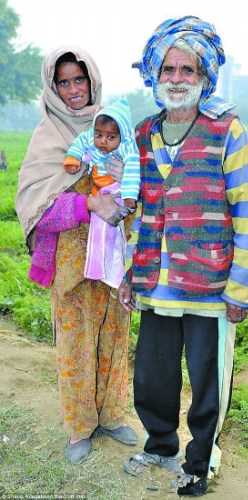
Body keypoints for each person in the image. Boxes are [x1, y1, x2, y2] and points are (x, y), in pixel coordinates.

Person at [118, 16, 248, 497]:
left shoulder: (227, 129)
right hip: (155, 282)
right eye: (169, 69)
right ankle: (160, 445)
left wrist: (240, 287)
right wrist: (129, 274)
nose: (177, 79)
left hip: (211, 286)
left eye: (188, 70)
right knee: (153, 374)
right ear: (155, 76)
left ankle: (200, 461)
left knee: (208, 382)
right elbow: (136, 214)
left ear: (204, 77)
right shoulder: (143, 134)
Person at [15, 46, 138, 464]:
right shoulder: (47, 136)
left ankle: (113, 415)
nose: (73, 90)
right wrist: (88, 203)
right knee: (75, 343)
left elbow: (139, 183)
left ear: (92, 80)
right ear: (53, 87)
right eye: (64, 81)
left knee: (115, 335)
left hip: (114, 257)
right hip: (69, 260)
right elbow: (36, 209)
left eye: (79, 80)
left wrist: (122, 187)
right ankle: (79, 427)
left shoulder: (115, 126)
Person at [64, 97, 140, 287]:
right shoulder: (91, 137)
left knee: (112, 237)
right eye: (99, 136)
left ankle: (114, 272)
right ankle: (98, 267)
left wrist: (130, 194)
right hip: (95, 198)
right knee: (100, 236)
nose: (103, 141)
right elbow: (80, 142)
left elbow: (132, 171)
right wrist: (73, 158)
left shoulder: (128, 148)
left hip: (116, 192)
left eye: (110, 137)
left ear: (122, 135)